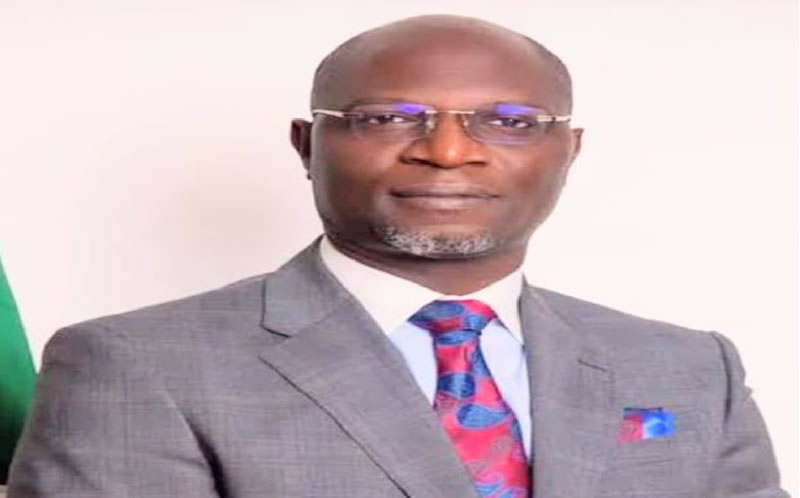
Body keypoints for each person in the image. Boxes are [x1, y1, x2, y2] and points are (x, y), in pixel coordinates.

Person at [7, 14, 787, 498]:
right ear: (308, 145)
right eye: (386, 118)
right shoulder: (138, 365)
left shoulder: (689, 367)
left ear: (569, 151)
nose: (447, 152)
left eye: (511, 122)